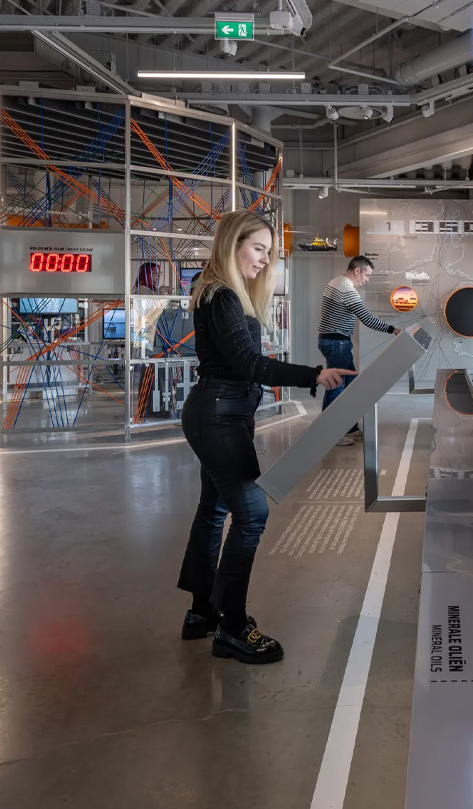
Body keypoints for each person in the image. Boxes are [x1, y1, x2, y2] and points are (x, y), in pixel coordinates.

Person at [176, 210, 353, 664]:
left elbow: (243, 364)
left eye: (269, 252)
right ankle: (232, 627)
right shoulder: (221, 295)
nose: (264, 259)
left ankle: (202, 612)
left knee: (214, 509)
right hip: (220, 415)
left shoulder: (220, 292)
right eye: (258, 248)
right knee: (251, 513)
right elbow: (249, 365)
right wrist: (314, 374)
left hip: (220, 411)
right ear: (232, 244)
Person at [317, 255, 398, 444]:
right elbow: (367, 319)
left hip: (335, 341)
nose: (367, 280)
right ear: (357, 271)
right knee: (336, 385)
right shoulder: (346, 288)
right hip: (337, 343)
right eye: (367, 275)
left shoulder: (335, 282)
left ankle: (349, 427)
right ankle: (330, 434)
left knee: (350, 384)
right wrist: (393, 330)